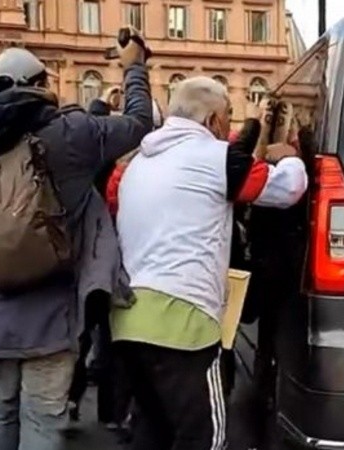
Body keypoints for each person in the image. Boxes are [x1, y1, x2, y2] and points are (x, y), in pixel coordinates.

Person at [0, 32, 153, 450]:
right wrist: (134, 66)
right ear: (41, 84)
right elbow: (138, 123)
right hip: (53, 313)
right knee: (43, 418)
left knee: (4, 410)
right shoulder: (72, 132)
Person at [109, 76, 308, 450]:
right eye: (229, 115)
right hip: (184, 322)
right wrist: (291, 158)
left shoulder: (137, 163)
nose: (230, 124)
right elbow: (288, 189)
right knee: (205, 437)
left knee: (151, 430)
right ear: (214, 119)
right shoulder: (217, 159)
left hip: (127, 322)